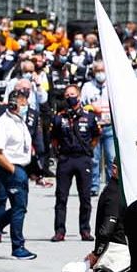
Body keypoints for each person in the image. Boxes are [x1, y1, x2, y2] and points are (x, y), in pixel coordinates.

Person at [0, 95, 38, 260]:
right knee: (18, 208)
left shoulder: (20, 121)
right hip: (10, 167)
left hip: (21, 167)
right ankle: (18, 246)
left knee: (19, 207)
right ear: (12, 105)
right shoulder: (3, 124)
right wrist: (13, 170)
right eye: (23, 104)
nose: (26, 107)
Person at [49, 88, 100, 242]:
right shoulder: (59, 118)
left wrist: (88, 149)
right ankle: (59, 231)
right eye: (67, 96)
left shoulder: (89, 117)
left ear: (79, 97)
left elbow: (96, 136)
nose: (70, 98)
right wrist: (59, 152)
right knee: (61, 197)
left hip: (83, 158)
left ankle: (85, 230)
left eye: (73, 95)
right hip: (65, 159)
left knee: (85, 198)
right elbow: (54, 138)